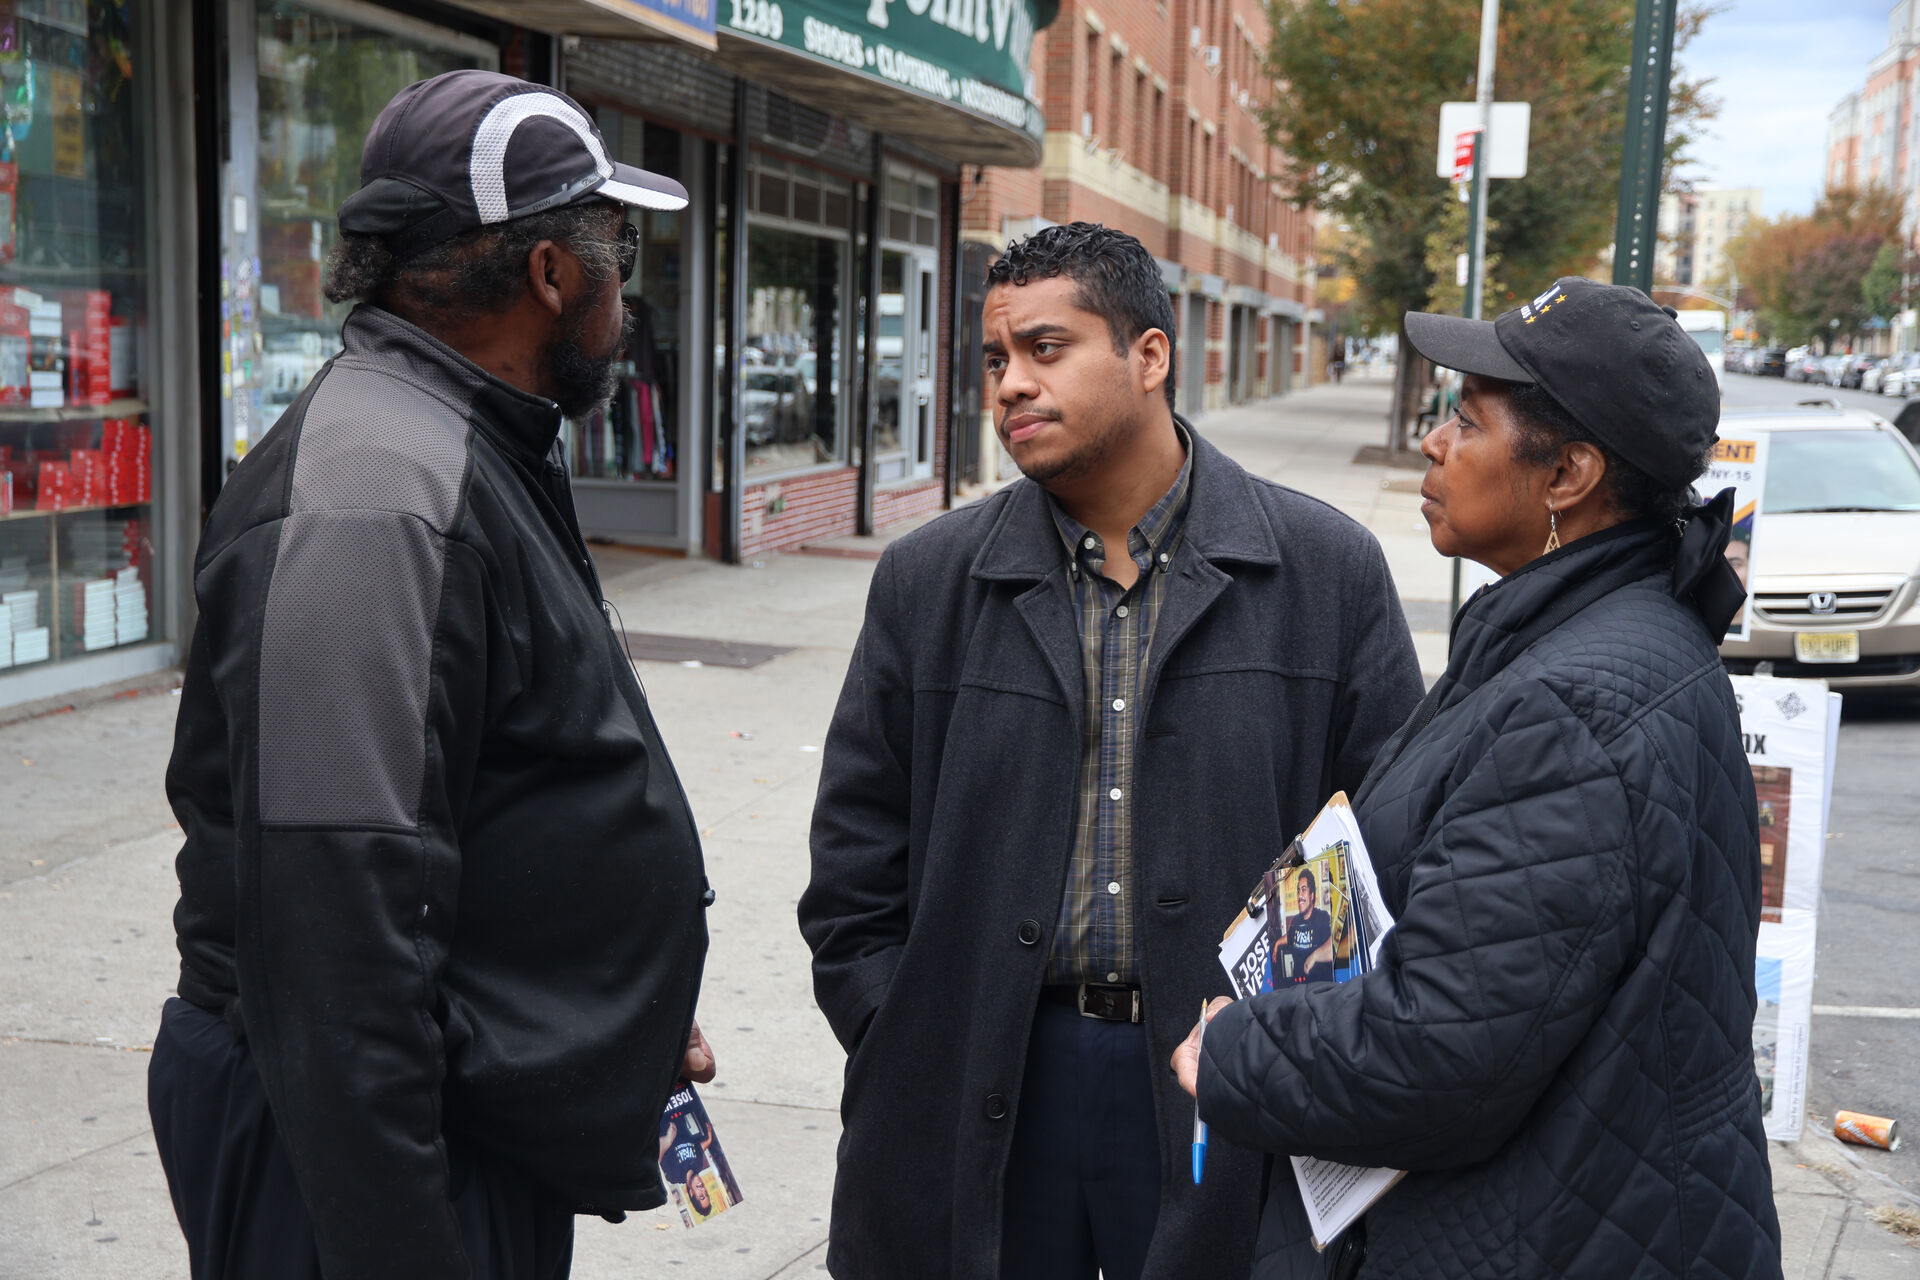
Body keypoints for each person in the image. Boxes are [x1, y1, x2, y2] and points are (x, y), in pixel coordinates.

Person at [151, 70, 716, 1280]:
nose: (629, 280)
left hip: (459, 1109)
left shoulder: (459, 435)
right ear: (552, 276)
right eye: (617, 243)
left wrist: (599, 1010)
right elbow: (336, 941)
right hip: (372, 1157)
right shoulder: (378, 496)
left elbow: (487, 793)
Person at [798, 222, 1424, 1280]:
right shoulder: (929, 580)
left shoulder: (1324, 571)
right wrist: (904, 1027)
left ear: (1149, 355)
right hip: (989, 1070)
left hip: (1222, 1081)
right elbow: (856, 856)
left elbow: (1391, 847)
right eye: (996, 359)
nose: (1009, 386)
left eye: (1046, 349)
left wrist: (1296, 1051)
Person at [1175, 277, 1781, 1279]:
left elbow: (1442, 1052)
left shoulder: (1574, 701)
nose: (1433, 441)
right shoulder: (1579, 640)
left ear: (1570, 473)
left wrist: (1241, 1048)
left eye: (1465, 418)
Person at [1282, 870, 1335, 985]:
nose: (1299, 895)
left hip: (1319, 988)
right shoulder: (1295, 920)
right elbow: (1289, 937)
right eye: (1298, 890)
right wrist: (1276, 944)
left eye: (1304, 889)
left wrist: (1314, 956)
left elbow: (1334, 946)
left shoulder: (1322, 918)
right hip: (1298, 989)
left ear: (1312, 895)